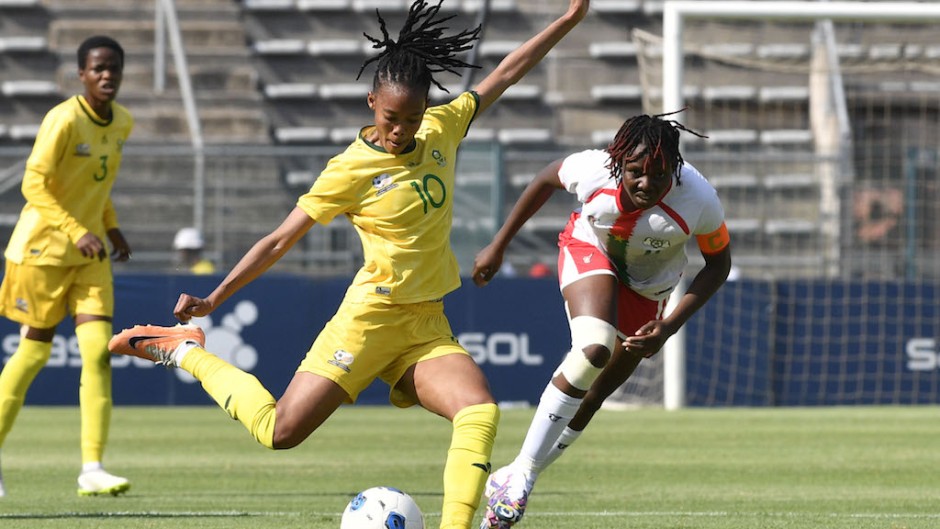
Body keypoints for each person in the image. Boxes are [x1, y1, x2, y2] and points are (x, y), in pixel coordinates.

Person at [107, 1, 589, 527]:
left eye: (411, 117)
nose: (401, 130)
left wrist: (567, 21)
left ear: (427, 108)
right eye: (390, 118)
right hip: (368, 320)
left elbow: (507, 73)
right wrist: (214, 298)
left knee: (479, 412)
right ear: (370, 102)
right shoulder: (350, 168)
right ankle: (189, 353)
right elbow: (278, 241)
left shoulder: (444, 128)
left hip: (425, 324)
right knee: (279, 432)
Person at [471, 112, 733, 528]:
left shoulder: (699, 199)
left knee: (591, 399)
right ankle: (521, 471)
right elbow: (544, 180)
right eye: (635, 172)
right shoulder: (593, 169)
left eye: (659, 174)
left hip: (650, 291)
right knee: (594, 347)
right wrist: (499, 244)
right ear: (618, 162)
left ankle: (519, 479)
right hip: (588, 251)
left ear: (675, 169)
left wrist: (668, 327)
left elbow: (718, 265)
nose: (646, 183)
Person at [0, 35, 133, 498]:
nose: (106, 75)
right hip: (41, 252)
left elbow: (99, 185)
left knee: (98, 352)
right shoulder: (62, 119)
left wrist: (110, 226)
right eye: (98, 67)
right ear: (81, 74)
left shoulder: (123, 123)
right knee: (34, 353)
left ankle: (92, 467)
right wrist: (78, 229)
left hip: (89, 257)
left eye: (113, 67)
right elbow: (33, 185)